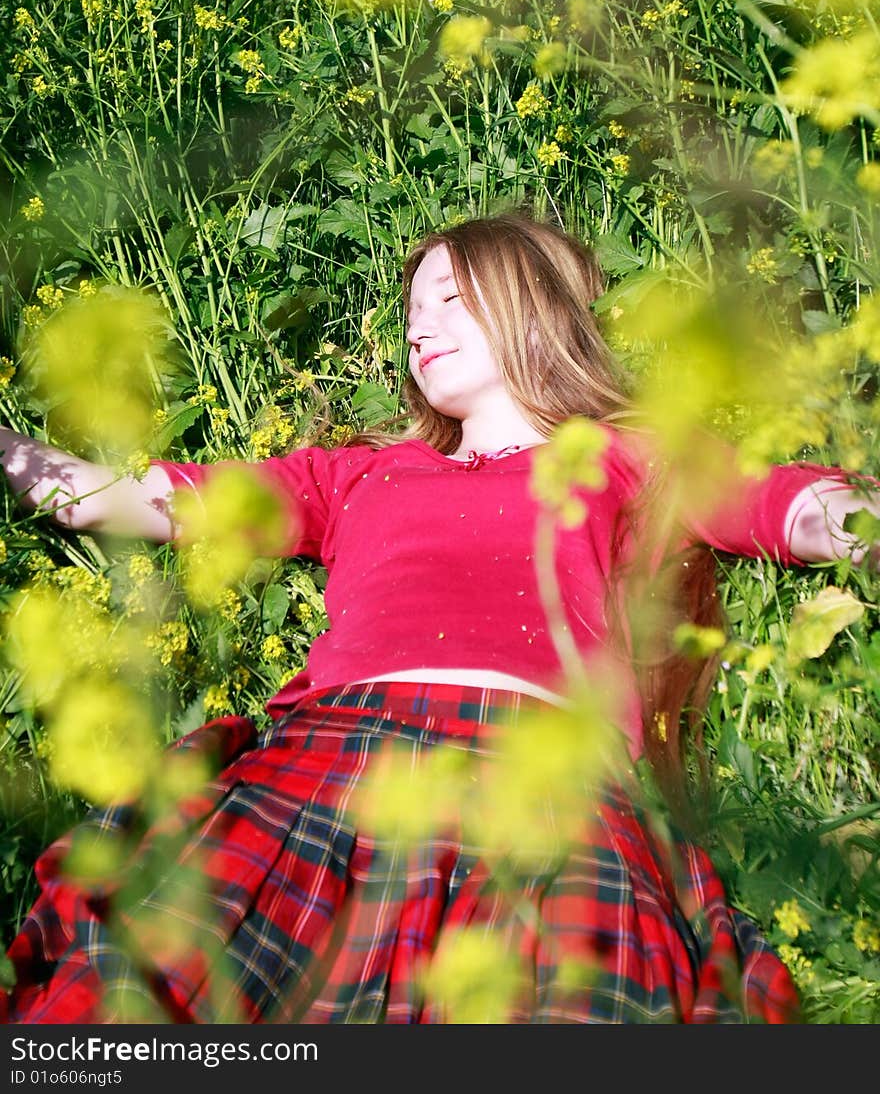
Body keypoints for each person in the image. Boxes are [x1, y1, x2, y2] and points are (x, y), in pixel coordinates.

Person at [0, 208, 876, 1025]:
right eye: (414, 312)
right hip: (337, 757)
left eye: (451, 299)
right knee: (161, 979)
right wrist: (31, 465)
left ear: (535, 307)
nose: (419, 329)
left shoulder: (635, 457)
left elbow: (782, 507)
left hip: (549, 776)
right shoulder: (360, 477)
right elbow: (151, 499)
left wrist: (859, 524)